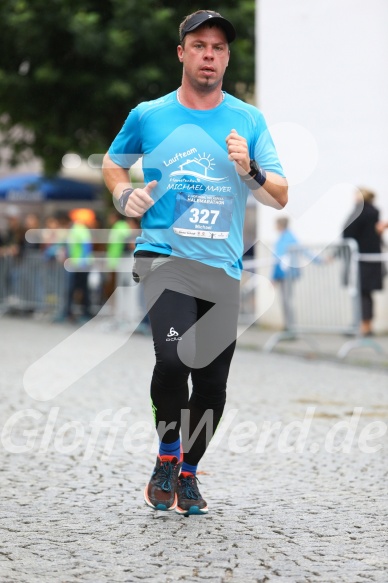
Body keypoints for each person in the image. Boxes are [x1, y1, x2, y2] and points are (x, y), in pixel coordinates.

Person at [102, 9, 287, 516]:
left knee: (211, 382)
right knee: (173, 359)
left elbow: (280, 196)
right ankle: (167, 454)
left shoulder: (248, 120)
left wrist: (248, 169)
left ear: (227, 57)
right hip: (164, 257)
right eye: (200, 45)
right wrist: (123, 197)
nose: (210, 54)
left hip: (222, 267)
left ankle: (187, 471)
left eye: (219, 48)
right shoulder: (149, 114)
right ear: (182, 53)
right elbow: (113, 162)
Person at [343, 188, 388, 336]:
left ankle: (363, 326)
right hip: (371, 258)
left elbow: (348, 231)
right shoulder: (373, 212)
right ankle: (365, 325)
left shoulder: (360, 211)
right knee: (366, 294)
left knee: (362, 293)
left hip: (362, 259)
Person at [272, 217, 300, 332]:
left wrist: (273, 276)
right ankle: (288, 325)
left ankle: (290, 326)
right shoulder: (284, 238)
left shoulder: (287, 239)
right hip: (283, 274)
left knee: (287, 301)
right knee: (285, 300)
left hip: (287, 274)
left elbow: (277, 259)